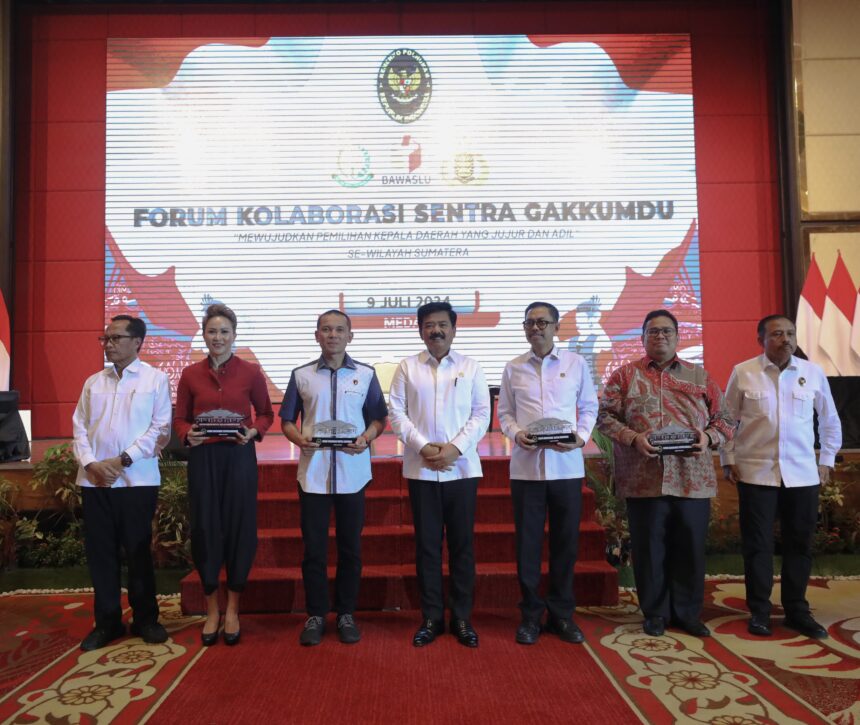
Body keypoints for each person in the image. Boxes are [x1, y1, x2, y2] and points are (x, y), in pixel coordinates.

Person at [597, 309, 734, 638]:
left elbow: (726, 421)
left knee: (689, 548)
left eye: (666, 331)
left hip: (692, 479)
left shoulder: (700, 377)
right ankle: (655, 613)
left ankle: (687, 613)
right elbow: (603, 418)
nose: (660, 336)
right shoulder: (623, 376)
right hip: (644, 479)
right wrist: (633, 438)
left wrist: (707, 438)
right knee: (649, 549)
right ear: (642, 337)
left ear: (677, 336)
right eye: (653, 331)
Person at [720, 315, 841, 639]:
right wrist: (727, 458)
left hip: (802, 475)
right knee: (757, 547)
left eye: (789, 333)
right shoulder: (744, 372)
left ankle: (796, 610)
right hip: (756, 473)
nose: (785, 339)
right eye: (776, 334)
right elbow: (727, 420)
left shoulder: (812, 373)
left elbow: (829, 420)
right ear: (761, 338)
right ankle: (759, 611)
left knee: (799, 545)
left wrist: (826, 460)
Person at [281, 310, 388, 646]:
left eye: (339, 330)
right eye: (326, 330)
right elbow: (286, 421)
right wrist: (298, 439)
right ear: (316, 336)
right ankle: (315, 614)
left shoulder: (367, 375)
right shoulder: (301, 375)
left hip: (353, 474)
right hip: (313, 475)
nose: (332, 335)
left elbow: (379, 419)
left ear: (350, 336)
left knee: (350, 549)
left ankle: (345, 613)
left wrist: (367, 438)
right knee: (313, 549)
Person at [389, 301, 490, 647]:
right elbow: (398, 415)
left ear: (454, 328)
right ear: (420, 329)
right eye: (429, 325)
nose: (436, 330)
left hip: (461, 470)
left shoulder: (471, 367)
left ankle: (461, 618)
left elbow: (481, 415)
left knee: (462, 547)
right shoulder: (407, 367)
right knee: (427, 548)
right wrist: (424, 447)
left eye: (442, 324)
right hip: (421, 470)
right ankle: (431, 618)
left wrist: (453, 449)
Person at [497, 301, 598, 645]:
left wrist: (580, 438)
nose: (536, 328)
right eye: (530, 323)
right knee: (528, 546)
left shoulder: (576, 363)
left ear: (556, 327)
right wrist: (515, 434)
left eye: (543, 322)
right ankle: (529, 616)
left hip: (566, 468)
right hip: (526, 472)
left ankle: (561, 615)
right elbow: (505, 414)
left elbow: (588, 407)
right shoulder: (513, 368)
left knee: (565, 544)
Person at [173, 303, 274, 646]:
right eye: (212, 331)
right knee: (205, 528)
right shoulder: (190, 374)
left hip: (238, 457)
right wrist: (188, 434)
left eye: (224, 332)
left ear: (234, 335)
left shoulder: (250, 372)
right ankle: (211, 608)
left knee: (238, 529)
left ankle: (233, 607)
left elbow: (264, 413)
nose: (218, 337)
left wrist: (253, 432)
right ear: (204, 335)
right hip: (204, 459)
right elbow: (180, 418)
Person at [72, 314, 172, 651]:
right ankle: (107, 623)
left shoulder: (155, 380)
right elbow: (80, 428)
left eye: (115, 338)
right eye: (106, 339)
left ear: (137, 342)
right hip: (96, 481)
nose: (109, 344)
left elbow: (159, 430)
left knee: (138, 551)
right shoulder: (93, 382)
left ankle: (146, 619)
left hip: (137, 480)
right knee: (101, 554)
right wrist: (91, 464)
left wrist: (122, 460)